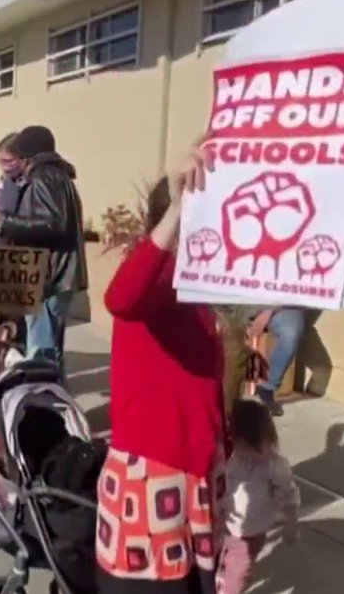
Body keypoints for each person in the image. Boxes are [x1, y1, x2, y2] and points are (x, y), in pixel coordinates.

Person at [96, 150, 224, 594]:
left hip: (196, 464)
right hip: (154, 470)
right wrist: (178, 209)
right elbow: (120, 299)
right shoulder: (153, 275)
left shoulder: (201, 279)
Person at [0, 126, 87, 370]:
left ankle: (44, 398)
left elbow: (53, 224)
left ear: (28, 154)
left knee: (42, 350)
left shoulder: (45, 177)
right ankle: (52, 394)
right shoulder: (55, 176)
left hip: (49, 274)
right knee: (50, 345)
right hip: (54, 272)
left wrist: (3, 221)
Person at [217, 400, 300, 594]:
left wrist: (291, 523)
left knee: (237, 574)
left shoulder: (274, 466)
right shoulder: (229, 457)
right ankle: (220, 577)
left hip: (250, 535)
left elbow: (288, 495)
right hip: (221, 526)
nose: (246, 453)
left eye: (253, 446)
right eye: (239, 444)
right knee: (219, 561)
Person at [242, 306, 309, 416]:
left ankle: (267, 387)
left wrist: (269, 311)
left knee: (291, 334)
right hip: (241, 302)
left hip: (284, 308)